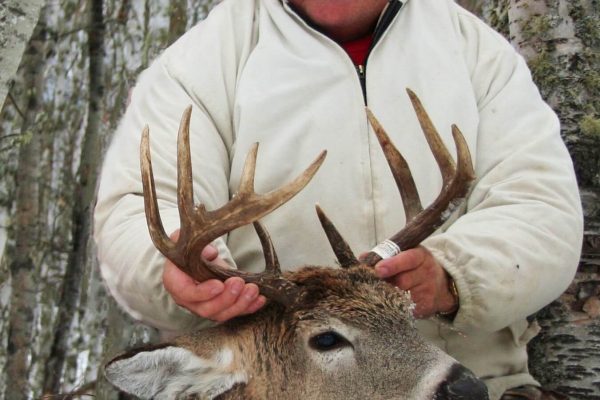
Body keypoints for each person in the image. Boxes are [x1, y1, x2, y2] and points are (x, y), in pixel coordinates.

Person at [93, 1, 583, 399]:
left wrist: (457, 274)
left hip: (472, 381)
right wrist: (171, 268)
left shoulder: (474, 52)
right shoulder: (200, 63)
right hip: (274, 381)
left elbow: (541, 205)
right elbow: (138, 206)